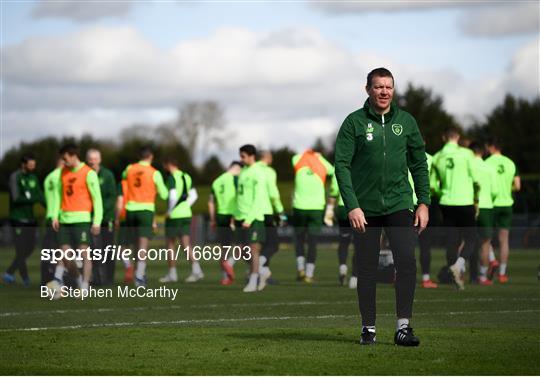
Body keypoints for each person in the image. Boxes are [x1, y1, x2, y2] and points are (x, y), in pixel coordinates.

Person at [335, 67, 429, 347]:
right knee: (366, 268)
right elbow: (341, 166)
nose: (384, 92)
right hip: (365, 209)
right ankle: (368, 329)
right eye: (378, 87)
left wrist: (423, 202)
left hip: (400, 203)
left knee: (406, 262)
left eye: (388, 87)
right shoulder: (353, 123)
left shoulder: (407, 122)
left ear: (393, 90)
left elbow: (419, 164)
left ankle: (403, 328)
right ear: (367, 90)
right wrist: (352, 206)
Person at [49, 144, 103, 294]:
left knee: (85, 254)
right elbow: (58, 196)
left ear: (73, 156)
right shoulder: (63, 172)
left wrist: (97, 221)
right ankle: (78, 280)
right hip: (64, 220)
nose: (64, 162)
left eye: (65, 158)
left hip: (82, 220)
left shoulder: (88, 173)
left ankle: (85, 287)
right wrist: (55, 216)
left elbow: (97, 199)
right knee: (65, 256)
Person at [431, 127, 478, 290]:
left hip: (446, 202)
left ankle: (454, 276)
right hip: (465, 201)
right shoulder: (466, 154)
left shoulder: (437, 157)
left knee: (452, 241)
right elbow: (476, 178)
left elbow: (432, 185)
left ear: (444, 137)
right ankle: (458, 267)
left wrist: (443, 191)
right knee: (471, 238)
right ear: (457, 137)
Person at [122, 146, 168, 287]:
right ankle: (140, 276)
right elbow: (164, 194)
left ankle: (132, 268)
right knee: (142, 245)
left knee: (132, 243)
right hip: (145, 210)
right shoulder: (154, 172)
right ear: (151, 157)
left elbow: (124, 180)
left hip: (130, 209)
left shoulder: (129, 169)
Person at [291, 149, 334, 283]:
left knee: (299, 239)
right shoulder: (322, 162)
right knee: (312, 241)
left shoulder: (298, 158)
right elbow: (332, 171)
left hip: (299, 206)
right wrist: (319, 157)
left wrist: (308, 153)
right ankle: (309, 275)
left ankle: (300, 269)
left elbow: (295, 157)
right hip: (316, 207)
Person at [3, 153, 44, 286]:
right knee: (21, 250)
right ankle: (25, 279)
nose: (33, 167)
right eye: (30, 165)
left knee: (31, 247)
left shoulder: (33, 178)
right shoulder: (15, 177)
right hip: (18, 219)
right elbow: (16, 198)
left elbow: (39, 194)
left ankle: (9, 272)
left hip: (30, 219)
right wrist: (33, 199)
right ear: (23, 164)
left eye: (34, 165)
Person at [160, 157, 203, 283]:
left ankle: (172, 273)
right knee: (186, 244)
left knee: (170, 245)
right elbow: (194, 196)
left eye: (165, 166)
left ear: (169, 165)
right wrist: (185, 206)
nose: (164, 169)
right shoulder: (186, 176)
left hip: (174, 216)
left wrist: (169, 211)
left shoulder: (172, 177)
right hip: (186, 214)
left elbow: (172, 196)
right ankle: (197, 270)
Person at [485, 138, 521, 283]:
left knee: (485, 238)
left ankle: (492, 260)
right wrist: (507, 189)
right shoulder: (510, 162)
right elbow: (518, 186)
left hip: (491, 204)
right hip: (507, 204)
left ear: (491, 147)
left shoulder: (486, 163)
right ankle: (502, 274)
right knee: (504, 240)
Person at [234, 144, 267, 293]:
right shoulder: (243, 172)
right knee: (241, 251)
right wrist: (235, 216)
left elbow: (258, 199)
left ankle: (253, 281)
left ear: (251, 156)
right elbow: (240, 196)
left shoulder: (258, 172)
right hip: (241, 218)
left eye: (243, 156)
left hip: (253, 218)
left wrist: (249, 218)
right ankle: (262, 270)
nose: (241, 159)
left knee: (254, 250)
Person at [470, 142, 500, 285]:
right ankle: (482, 276)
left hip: (469, 204)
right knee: (485, 243)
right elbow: (495, 191)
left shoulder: (467, 165)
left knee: (464, 240)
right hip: (486, 206)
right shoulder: (489, 167)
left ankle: (459, 271)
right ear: (483, 152)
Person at [257, 151, 287, 290]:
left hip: (250, 214)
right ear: (267, 158)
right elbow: (273, 194)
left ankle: (263, 274)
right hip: (266, 212)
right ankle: (257, 267)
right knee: (273, 244)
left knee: (261, 245)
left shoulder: (249, 170)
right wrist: (281, 213)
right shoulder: (269, 171)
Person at [208, 161, 243, 285]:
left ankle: (224, 277)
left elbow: (211, 202)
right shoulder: (236, 179)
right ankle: (230, 263)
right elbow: (241, 197)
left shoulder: (216, 181)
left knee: (224, 247)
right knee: (243, 244)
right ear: (237, 169)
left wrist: (212, 219)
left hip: (220, 216)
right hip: (234, 215)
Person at [86, 149, 117, 285]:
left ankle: (108, 278)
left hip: (106, 219)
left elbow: (112, 196)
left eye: (95, 158)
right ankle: (95, 278)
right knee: (92, 250)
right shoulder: (84, 174)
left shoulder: (108, 175)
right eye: (90, 159)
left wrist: (100, 211)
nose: (93, 161)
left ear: (100, 160)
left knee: (108, 249)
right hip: (90, 218)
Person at [409, 151, 438, 288]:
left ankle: (399, 275)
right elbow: (434, 184)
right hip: (422, 204)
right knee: (424, 243)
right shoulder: (430, 158)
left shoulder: (399, 152)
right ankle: (426, 278)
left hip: (404, 203)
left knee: (403, 243)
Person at [41, 157, 64, 285]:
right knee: (63, 250)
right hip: (59, 217)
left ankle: (49, 279)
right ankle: (58, 280)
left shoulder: (49, 177)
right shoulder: (61, 177)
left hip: (50, 216)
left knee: (51, 251)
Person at [115, 179, 134, 284]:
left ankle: (128, 266)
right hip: (138, 216)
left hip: (124, 217)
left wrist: (116, 217)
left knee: (122, 246)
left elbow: (120, 201)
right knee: (136, 245)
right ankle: (139, 272)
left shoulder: (123, 183)